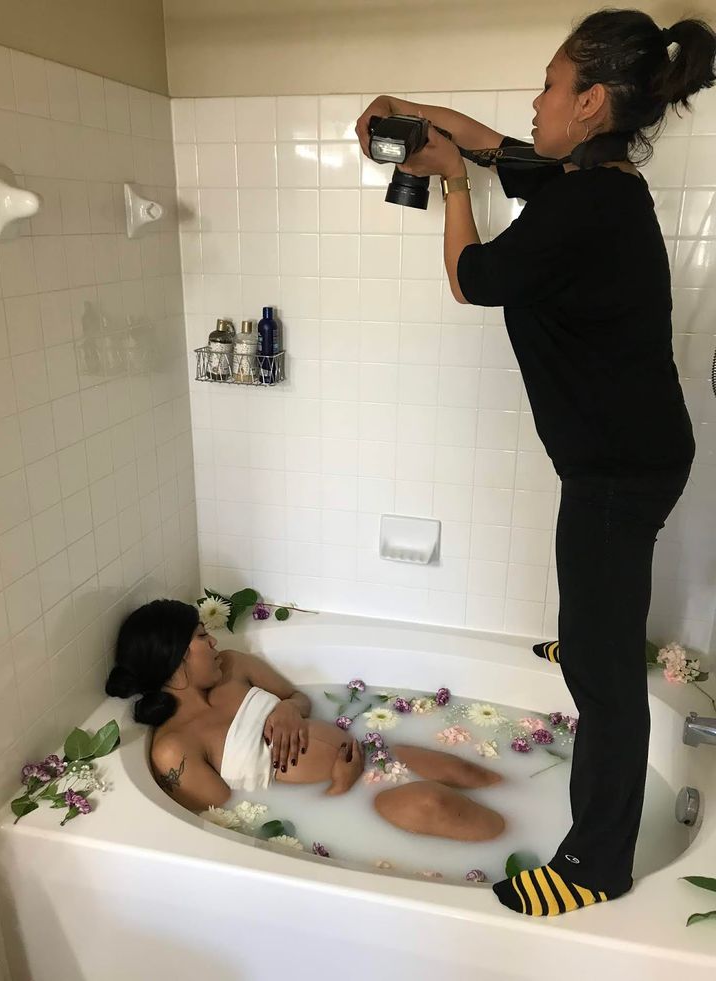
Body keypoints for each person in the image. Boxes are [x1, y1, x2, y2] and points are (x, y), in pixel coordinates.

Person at [356, 9, 714, 917]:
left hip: (616, 470)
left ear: (591, 102)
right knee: (592, 598)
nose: (536, 98)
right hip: (627, 454)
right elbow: (485, 140)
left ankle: (595, 863)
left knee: (603, 685)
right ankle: (597, 633)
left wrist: (450, 188)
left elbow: (472, 277)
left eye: (552, 84)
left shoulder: (585, 205)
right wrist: (411, 113)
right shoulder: (586, 176)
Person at [105, 599, 506, 843]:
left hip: (374, 750)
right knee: (433, 802)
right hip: (355, 798)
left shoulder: (233, 666)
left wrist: (287, 709)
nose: (212, 642)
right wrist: (338, 789)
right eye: (199, 637)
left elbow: (298, 698)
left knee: (465, 770)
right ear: (174, 659)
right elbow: (232, 821)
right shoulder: (175, 747)